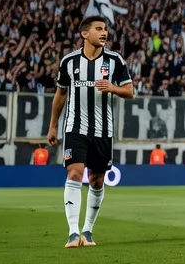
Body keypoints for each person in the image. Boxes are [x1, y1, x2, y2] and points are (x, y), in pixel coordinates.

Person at [47, 15, 134, 248]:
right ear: (85, 34)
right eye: (98, 29)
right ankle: (73, 233)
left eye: (105, 29)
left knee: (96, 180)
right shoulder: (69, 61)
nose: (104, 32)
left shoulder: (115, 60)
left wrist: (113, 88)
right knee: (74, 173)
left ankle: (88, 230)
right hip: (75, 127)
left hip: (103, 131)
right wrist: (53, 125)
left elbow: (130, 91)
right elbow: (61, 94)